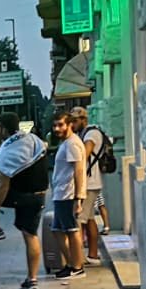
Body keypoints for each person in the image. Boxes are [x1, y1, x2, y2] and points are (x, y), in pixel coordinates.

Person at [0, 112, 48, 289]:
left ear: (3, 128)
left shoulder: (6, 149)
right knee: (31, 235)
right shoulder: (32, 139)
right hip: (40, 194)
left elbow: (4, 185)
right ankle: (32, 278)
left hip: (21, 195)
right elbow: (16, 166)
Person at [49, 111, 87, 280]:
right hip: (61, 194)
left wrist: (78, 199)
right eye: (55, 125)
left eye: (61, 125)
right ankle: (72, 264)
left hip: (68, 195)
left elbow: (79, 171)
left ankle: (77, 267)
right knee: (57, 230)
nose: (57, 128)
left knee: (72, 231)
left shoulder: (72, 144)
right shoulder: (66, 143)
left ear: (69, 124)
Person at [71, 106, 105, 264]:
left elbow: (84, 154)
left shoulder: (91, 134)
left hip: (89, 183)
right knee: (89, 219)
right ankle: (93, 255)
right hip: (90, 182)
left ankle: (78, 259)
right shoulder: (85, 133)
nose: (73, 124)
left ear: (84, 119)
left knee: (79, 220)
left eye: (75, 121)